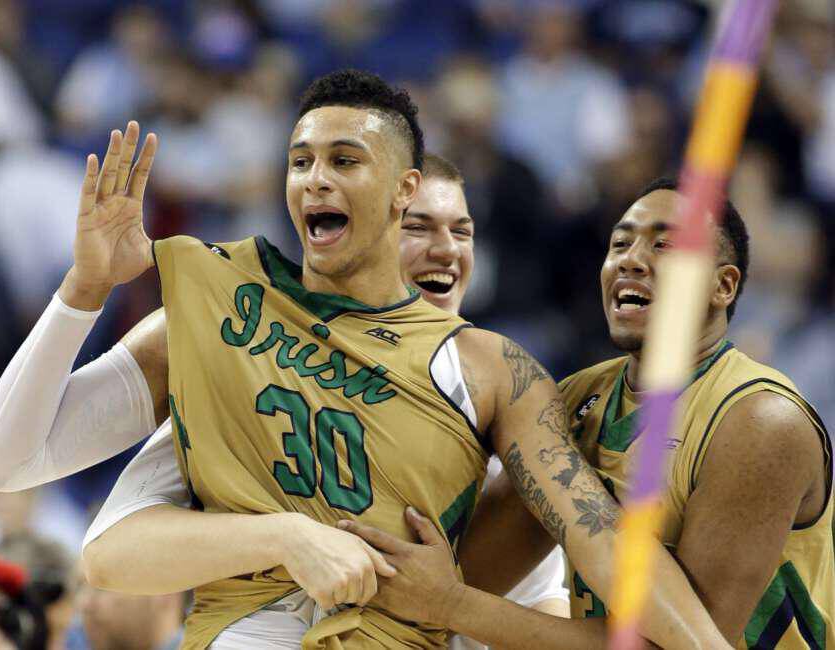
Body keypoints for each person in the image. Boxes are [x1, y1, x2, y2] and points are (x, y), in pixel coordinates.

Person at [0, 70, 725, 648]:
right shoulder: (218, 311)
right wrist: (85, 287)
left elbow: (602, 542)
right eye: (300, 162)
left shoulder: (489, 367)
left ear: (402, 190)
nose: (315, 179)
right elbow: (7, 463)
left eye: (343, 159)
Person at [341, 178, 834, 649]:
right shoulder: (576, 400)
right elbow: (470, 574)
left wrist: (450, 605)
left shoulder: (759, 422)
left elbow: (684, 646)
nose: (631, 260)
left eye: (664, 247)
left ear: (722, 286)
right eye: (620, 244)